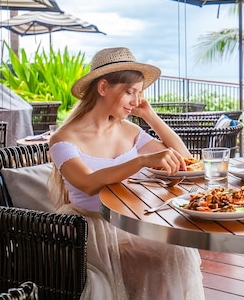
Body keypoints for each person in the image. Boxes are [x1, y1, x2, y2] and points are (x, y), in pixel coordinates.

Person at [48, 47, 205, 300]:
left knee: (179, 252)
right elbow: (88, 184)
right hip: (90, 230)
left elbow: (185, 159)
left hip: (133, 223)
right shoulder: (63, 139)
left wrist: (151, 116)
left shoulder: (128, 130)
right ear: (102, 88)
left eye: (139, 93)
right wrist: (142, 160)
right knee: (164, 258)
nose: (136, 100)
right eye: (130, 92)